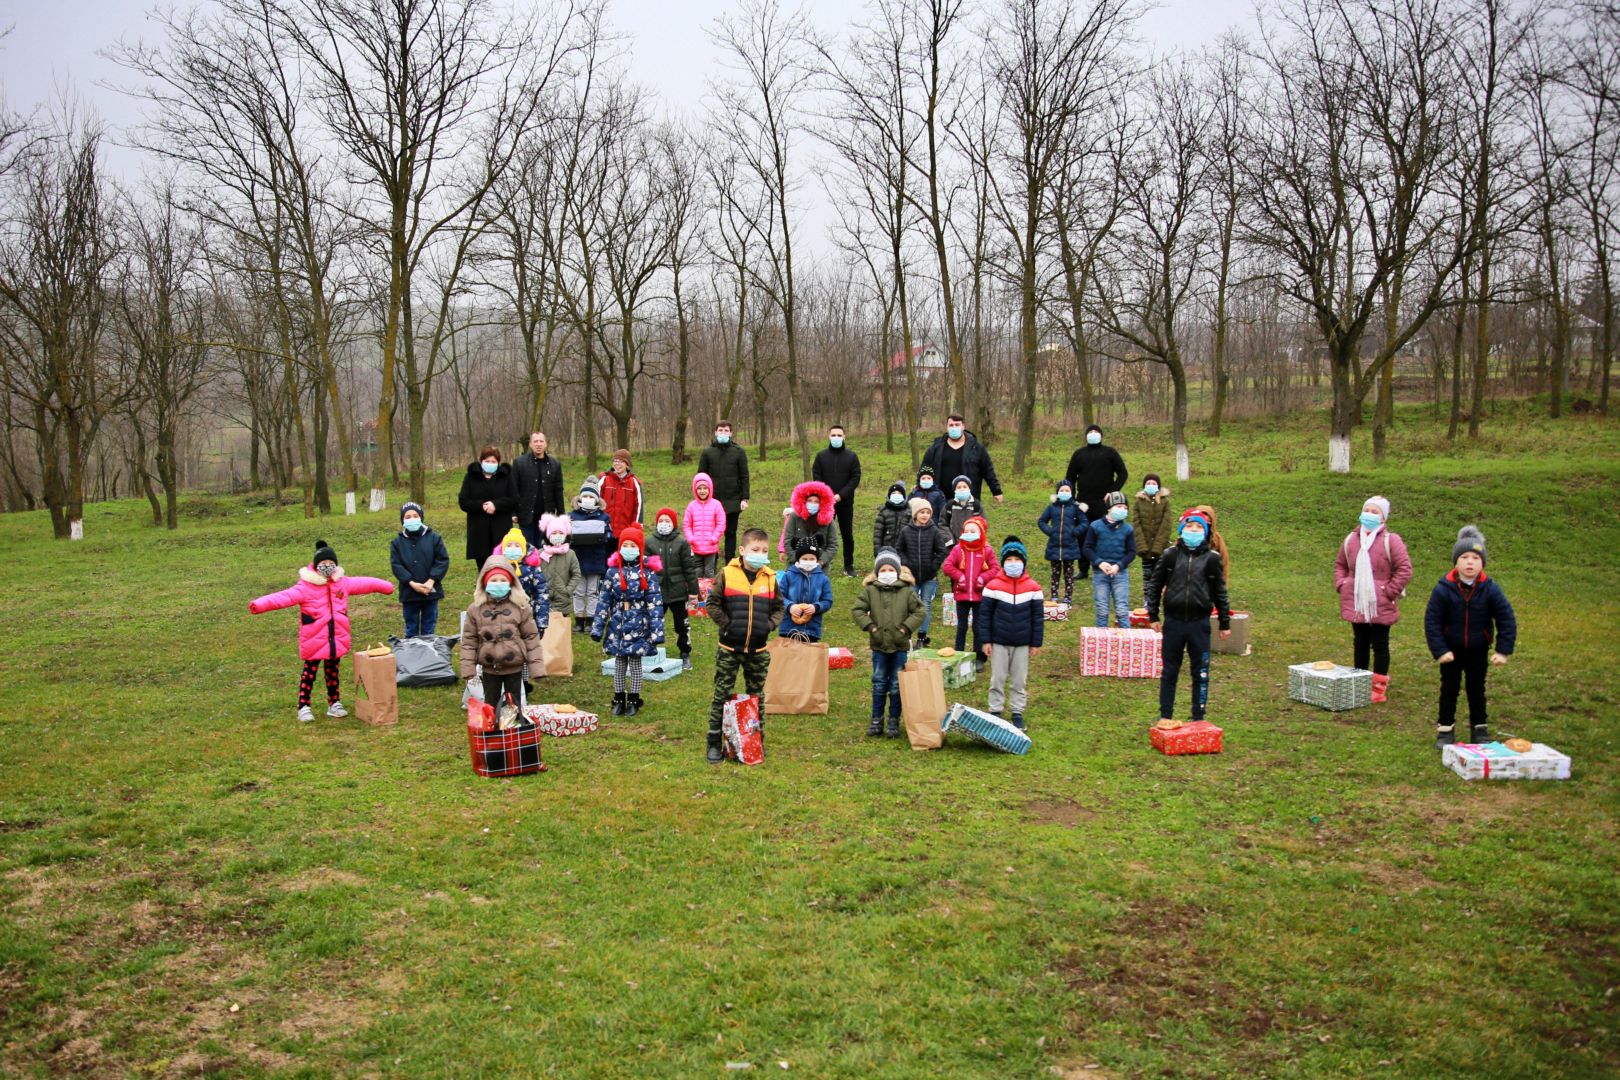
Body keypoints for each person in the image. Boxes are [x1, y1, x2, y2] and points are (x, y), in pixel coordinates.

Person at [250, 540, 395, 722]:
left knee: (333, 671)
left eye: (330, 563)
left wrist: (386, 587)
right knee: (309, 673)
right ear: (316, 565)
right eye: (323, 564)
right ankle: (304, 706)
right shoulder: (305, 586)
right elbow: (283, 597)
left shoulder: (342, 583)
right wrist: (258, 604)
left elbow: (365, 583)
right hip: (314, 638)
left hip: (336, 638)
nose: (327, 566)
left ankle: (334, 703)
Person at [1424, 525, 1516, 748]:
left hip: (1478, 648)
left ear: (1482, 562)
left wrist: (1503, 650)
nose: (1470, 562)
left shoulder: (1490, 588)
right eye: (1464, 557)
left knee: (1477, 689)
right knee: (1449, 689)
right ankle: (1445, 730)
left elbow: (1506, 618)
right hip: (1450, 651)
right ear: (1456, 562)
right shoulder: (1443, 588)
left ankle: (1480, 730)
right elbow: (1432, 621)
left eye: (1475, 557)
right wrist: (1440, 651)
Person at [1146, 511, 1232, 726]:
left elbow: (1220, 592)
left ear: (1206, 532)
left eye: (1199, 528)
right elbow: (1155, 586)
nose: (1194, 531)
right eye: (1190, 527)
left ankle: (1198, 717)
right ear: (1182, 530)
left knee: (1200, 671)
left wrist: (1224, 622)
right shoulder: (1170, 555)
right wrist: (1154, 615)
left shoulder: (1212, 559)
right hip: (1174, 621)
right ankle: (1165, 714)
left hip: (1199, 623)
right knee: (1170, 671)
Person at [706, 528, 784, 764]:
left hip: (758, 651)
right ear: (743, 550)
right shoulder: (727, 574)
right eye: (755, 550)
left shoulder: (770, 578)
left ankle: (755, 739)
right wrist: (727, 625)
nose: (759, 554)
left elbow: (780, 607)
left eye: (764, 551)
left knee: (757, 696)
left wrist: (768, 625)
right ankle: (713, 742)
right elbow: (712, 603)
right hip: (729, 648)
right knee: (722, 694)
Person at [1333, 496, 1413, 704]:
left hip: (1381, 602)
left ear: (1384, 518)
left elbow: (1404, 569)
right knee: (1360, 642)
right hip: (1356, 600)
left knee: (1379, 643)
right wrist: (1343, 584)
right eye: (1366, 510)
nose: (1369, 514)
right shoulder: (1351, 540)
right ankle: (1359, 682)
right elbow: (1340, 564)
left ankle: (1378, 688)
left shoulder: (1391, 541)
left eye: (1375, 511)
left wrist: (1388, 591)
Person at [592, 524, 665, 717]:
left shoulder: (647, 574)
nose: (629, 549)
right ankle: (618, 698)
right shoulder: (612, 573)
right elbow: (603, 601)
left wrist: (657, 631)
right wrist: (597, 627)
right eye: (626, 545)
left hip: (639, 625)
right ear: (620, 547)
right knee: (619, 663)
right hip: (617, 625)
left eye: (634, 546)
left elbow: (655, 604)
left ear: (640, 549)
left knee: (635, 663)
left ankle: (633, 697)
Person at [459, 554, 545, 717]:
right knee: (490, 704)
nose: (498, 584)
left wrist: (537, 667)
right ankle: (493, 732)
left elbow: (531, 638)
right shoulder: (475, 609)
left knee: (514, 705)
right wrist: (468, 667)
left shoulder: (521, 607)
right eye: (494, 580)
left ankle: (513, 732)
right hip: (490, 668)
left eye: (502, 580)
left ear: (511, 583)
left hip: (514, 666)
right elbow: (469, 641)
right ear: (485, 583)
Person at [852, 547, 924, 738]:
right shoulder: (870, 591)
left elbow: (920, 611)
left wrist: (906, 628)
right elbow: (858, 610)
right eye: (883, 570)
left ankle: (893, 721)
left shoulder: (907, 591)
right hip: (879, 645)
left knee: (896, 685)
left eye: (890, 570)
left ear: (897, 571)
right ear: (877, 572)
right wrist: (871, 627)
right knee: (878, 683)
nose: (887, 574)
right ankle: (876, 720)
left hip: (900, 646)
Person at [978, 537, 1044, 731]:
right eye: (1009, 560)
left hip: (1022, 643)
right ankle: (995, 711)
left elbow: (1038, 618)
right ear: (1003, 562)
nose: (1013, 563)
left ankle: (1017, 712)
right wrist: (986, 640)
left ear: (1024, 562)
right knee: (997, 678)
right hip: (999, 642)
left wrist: (1035, 643)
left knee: (1019, 679)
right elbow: (985, 616)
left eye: (1017, 560)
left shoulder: (1034, 588)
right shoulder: (992, 586)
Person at [647, 506, 701, 669]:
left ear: (674, 523)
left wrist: (693, 592)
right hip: (657, 592)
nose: (664, 523)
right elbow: (645, 569)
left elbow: (690, 569)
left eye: (667, 521)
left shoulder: (682, 543)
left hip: (678, 593)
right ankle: (650, 650)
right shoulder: (648, 542)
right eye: (661, 521)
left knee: (682, 625)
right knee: (653, 622)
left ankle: (685, 653)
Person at [941, 514, 999, 662]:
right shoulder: (957, 549)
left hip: (980, 596)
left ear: (981, 533)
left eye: (973, 531)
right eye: (967, 531)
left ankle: (979, 657)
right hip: (962, 595)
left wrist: (982, 579)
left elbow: (995, 568)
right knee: (962, 627)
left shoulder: (987, 550)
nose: (970, 534)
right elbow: (947, 566)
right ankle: (959, 655)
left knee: (978, 627)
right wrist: (959, 577)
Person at [897, 497, 952, 648]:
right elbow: (899, 550)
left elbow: (941, 551)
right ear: (915, 514)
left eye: (928, 512)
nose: (925, 515)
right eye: (922, 512)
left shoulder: (934, 531)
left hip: (929, 577)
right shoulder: (906, 531)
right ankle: (906, 635)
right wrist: (906, 564)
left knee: (926, 605)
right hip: (911, 577)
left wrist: (933, 566)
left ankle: (922, 636)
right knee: (910, 606)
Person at [390, 501, 449, 638]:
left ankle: (427, 656)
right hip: (409, 593)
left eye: (415, 515)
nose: (412, 519)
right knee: (411, 628)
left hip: (430, 592)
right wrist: (411, 582)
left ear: (421, 517)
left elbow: (442, 560)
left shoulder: (434, 538)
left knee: (429, 627)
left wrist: (431, 581)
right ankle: (412, 656)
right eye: (408, 517)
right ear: (402, 520)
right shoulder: (397, 543)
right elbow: (396, 565)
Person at [1065, 424, 1129, 547]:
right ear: (1086, 436)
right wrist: (1072, 498)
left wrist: (1112, 492)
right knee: (1082, 536)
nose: (1093, 433)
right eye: (1090, 432)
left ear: (1101, 436)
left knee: (1103, 535)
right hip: (1083, 502)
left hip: (1104, 502)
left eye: (1096, 431)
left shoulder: (1110, 452)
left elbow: (1123, 473)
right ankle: (1083, 566)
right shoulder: (1079, 454)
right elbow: (1070, 477)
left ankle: (1100, 564)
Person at [812, 424, 862, 577]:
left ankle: (849, 565)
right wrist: (827, 495)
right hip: (826, 503)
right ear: (828, 436)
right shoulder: (821, 456)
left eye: (839, 435)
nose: (836, 438)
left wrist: (841, 495)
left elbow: (855, 478)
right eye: (833, 435)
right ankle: (819, 562)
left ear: (844, 436)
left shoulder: (851, 456)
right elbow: (817, 476)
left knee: (847, 534)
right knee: (822, 533)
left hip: (845, 502)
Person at [921, 413, 1004, 504]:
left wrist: (996, 491)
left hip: (968, 499)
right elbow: (925, 469)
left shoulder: (976, 447)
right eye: (951, 425)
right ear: (947, 427)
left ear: (963, 426)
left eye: (957, 425)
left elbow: (988, 470)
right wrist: (919, 488)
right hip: (941, 500)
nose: (954, 427)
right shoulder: (936, 448)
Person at [697, 421, 751, 561]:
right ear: (715, 432)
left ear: (731, 433)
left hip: (733, 501)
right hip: (712, 502)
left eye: (726, 430)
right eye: (720, 430)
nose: (723, 433)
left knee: (731, 533)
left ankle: (729, 563)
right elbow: (700, 477)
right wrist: (701, 497)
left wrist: (744, 498)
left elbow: (744, 476)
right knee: (712, 533)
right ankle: (711, 563)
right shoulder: (707, 452)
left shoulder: (739, 452)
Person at [1083, 492, 1137, 629]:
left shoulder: (1128, 529)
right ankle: (1101, 642)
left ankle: (1127, 642)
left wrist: (1119, 565)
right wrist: (1099, 562)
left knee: (1122, 610)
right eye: (1119, 506)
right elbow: (1087, 548)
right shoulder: (1095, 526)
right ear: (1109, 508)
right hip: (1100, 573)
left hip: (1120, 573)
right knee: (1102, 610)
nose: (1123, 510)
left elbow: (1131, 552)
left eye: (1125, 508)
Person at [457, 445, 517, 565]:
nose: (490, 463)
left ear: (498, 462)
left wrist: (496, 505)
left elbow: (514, 499)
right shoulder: (471, 477)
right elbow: (463, 502)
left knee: (502, 564)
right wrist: (481, 505)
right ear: (481, 461)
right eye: (487, 461)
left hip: (501, 528)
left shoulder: (506, 476)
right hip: (479, 529)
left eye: (493, 461)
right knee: (483, 565)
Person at [568, 478, 614, 631]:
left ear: (596, 499)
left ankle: (590, 619)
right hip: (578, 560)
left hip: (595, 559)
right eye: (585, 496)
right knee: (579, 592)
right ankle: (579, 619)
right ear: (580, 498)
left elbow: (609, 534)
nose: (587, 499)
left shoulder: (604, 517)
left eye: (591, 497)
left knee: (592, 592)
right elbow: (565, 535)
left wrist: (603, 537)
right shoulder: (572, 516)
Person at [495, 522, 550, 640]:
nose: (513, 549)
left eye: (517, 546)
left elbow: (542, 594)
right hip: (501, 618)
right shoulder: (497, 568)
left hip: (526, 618)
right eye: (509, 545)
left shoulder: (533, 569)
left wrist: (541, 623)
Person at [1038, 479, 1088, 606]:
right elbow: (1042, 521)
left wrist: (1075, 532)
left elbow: (1084, 522)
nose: (1064, 492)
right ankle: (1054, 596)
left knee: (1068, 574)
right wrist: (1050, 532)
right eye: (1062, 490)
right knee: (1055, 573)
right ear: (1057, 492)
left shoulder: (1076, 508)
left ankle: (1068, 597)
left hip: (1070, 546)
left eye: (1067, 490)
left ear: (1071, 492)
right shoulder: (1051, 507)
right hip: (1054, 546)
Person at [512, 430, 565, 546]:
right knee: (527, 549)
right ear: (530, 444)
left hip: (547, 517)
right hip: (526, 516)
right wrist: (513, 512)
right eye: (535, 441)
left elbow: (558, 490)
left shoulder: (555, 464)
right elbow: (513, 489)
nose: (538, 444)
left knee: (544, 550)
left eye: (541, 441)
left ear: (546, 444)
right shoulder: (519, 463)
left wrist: (561, 515)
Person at [777, 536, 834, 643]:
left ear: (817, 559)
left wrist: (816, 607)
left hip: (811, 629)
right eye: (805, 559)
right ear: (798, 559)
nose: (808, 562)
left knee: (809, 658)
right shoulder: (788, 576)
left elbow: (827, 600)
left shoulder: (823, 579)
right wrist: (790, 606)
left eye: (812, 559)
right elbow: (779, 597)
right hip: (788, 627)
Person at [536, 514, 582, 633]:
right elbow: (535, 574)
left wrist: (567, 590)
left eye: (561, 533)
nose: (557, 536)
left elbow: (576, 574)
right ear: (548, 535)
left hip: (562, 599)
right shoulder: (540, 554)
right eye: (554, 533)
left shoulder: (570, 554)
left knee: (560, 633)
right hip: (544, 598)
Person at [781, 480, 839, 570]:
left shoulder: (829, 521)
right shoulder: (794, 517)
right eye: (810, 501)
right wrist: (797, 560)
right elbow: (787, 540)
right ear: (804, 501)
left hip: (820, 568)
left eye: (816, 502)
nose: (813, 504)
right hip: (796, 566)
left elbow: (833, 545)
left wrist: (821, 561)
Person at [1133, 474, 1173, 600]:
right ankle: (1148, 600)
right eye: (1148, 483)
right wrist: (1142, 545)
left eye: (1153, 483)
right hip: (1145, 548)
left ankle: (1162, 599)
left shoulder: (1164, 502)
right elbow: (1136, 525)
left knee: (1161, 575)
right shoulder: (1139, 503)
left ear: (1158, 486)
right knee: (1147, 576)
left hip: (1160, 547)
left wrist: (1158, 546)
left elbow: (1166, 525)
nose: (1151, 486)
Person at [683, 472, 727, 580]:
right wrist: (691, 539)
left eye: (705, 488)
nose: (702, 491)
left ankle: (709, 592)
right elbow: (686, 524)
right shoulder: (691, 506)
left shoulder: (716, 504)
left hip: (710, 546)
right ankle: (697, 592)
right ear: (695, 490)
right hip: (696, 546)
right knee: (697, 570)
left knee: (709, 570)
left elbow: (721, 523)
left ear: (710, 488)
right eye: (699, 488)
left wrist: (714, 538)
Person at [599, 448, 644, 539]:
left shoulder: (634, 483)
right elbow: (596, 503)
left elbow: (638, 508)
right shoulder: (604, 480)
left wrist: (634, 530)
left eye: (621, 461)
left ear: (627, 465)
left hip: (625, 534)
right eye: (615, 461)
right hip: (604, 532)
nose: (617, 464)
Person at [1188, 503, 1230, 582]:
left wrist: (1222, 584)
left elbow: (1224, 563)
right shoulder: (1186, 536)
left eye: (1207, 521)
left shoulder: (1216, 540)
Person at [873, 481, 910, 558]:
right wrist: (877, 552)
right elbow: (878, 534)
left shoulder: (909, 513)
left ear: (903, 496)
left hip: (904, 552)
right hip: (886, 551)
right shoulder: (883, 512)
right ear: (889, 496)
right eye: (893, 493)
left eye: (899, 493)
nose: (896, 495)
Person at [942, 474, 984, 542]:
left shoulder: (976, 505)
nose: (962, 489)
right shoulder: (950, 506)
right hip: (954, 544)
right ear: (955, 490)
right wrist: (949, 539)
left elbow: (982, 524)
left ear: (969, 489)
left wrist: (975, 537)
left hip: (973, 542)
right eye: (959, 487)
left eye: (964, 487)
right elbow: (943, 524)